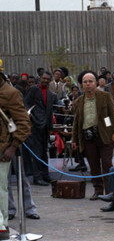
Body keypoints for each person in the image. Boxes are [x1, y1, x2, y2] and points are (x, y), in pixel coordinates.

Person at [71, 71, 114, 200]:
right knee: (93, 165)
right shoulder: (79, 101)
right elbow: (76, 122)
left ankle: (110, 191)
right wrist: (74, 139)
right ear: (82, 85)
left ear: (96, 83)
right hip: (87, 137)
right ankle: (98, 190)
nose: (88, 84)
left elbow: (113, 115)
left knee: (107, 164)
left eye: (90, 81)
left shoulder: (105, 96)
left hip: (105, 135)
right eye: (85, 82)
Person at [0, 65, 31, 239]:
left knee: (0, 189)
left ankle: (2, 226)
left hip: (3, 149)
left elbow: (24, 123)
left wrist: (13, 147)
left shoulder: (10, 93)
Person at [23, 71, 58, 185]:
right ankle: (37, 177)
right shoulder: (33, 89)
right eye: (44, 78)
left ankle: (45, 174)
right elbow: (26, 104)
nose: (45, 81)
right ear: (40, 78)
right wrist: (30, 118)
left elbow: (49, 111)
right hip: (35, 125)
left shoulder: (50, 93)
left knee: (44, 151)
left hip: (45, 127)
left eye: (48, 79)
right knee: (36, 152)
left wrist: (50, 127)